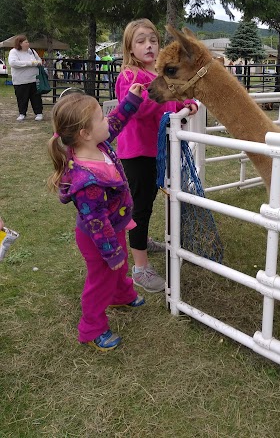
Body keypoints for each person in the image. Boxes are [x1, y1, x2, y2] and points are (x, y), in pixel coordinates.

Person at [48, 83, 145, 352]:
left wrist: (132, 100)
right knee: (100, 281)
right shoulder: (86, 181)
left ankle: (122, 295)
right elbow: (96, 222)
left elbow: (115, 123)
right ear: (85, 133)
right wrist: (110, 251)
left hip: (114, 226)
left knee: (120, 266)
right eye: (101, 116)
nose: (108, 118)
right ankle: (92, 327)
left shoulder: (97, 143)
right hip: (99, 237)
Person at [115, 18, 198, 293]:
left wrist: (183, 104)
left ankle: (143, 240)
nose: (148, 45)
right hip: (137, 151)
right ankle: (139, 267)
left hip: (155, 150)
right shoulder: (129, 76)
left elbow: (170, 100)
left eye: (153, 40)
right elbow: (136, 110)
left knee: (148, 199)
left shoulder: (158, 76)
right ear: (130, 47)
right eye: (140, 41)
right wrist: (167, 103)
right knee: (140, 206)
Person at [8, 35, 43, 122]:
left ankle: (39, 113)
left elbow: (39, 60)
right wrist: (30, 63)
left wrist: (37, 63)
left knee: (36, 97)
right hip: (20, 80)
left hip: (33, 79)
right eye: (26, 42)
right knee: (22, 98)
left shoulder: (32, 51)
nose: (28, 44)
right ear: (20, 43)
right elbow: (13, 63)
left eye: (28, 42)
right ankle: (22, 114)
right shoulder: (14, 52)